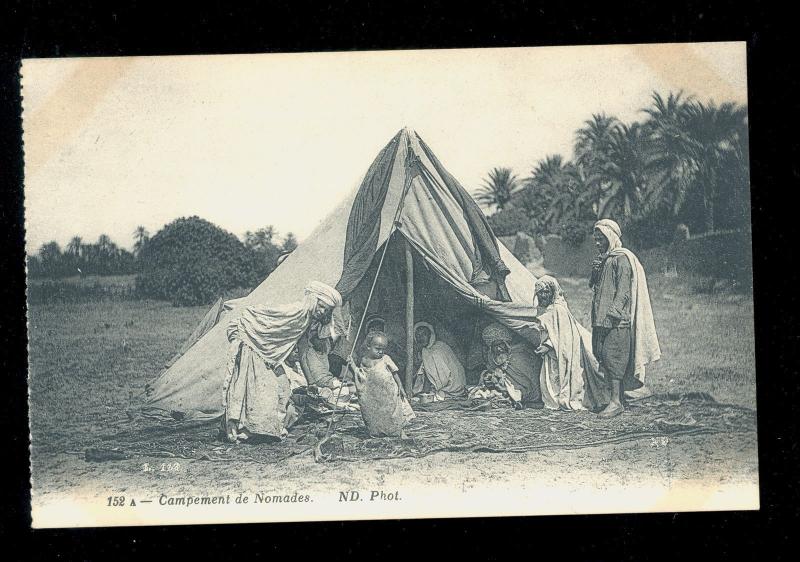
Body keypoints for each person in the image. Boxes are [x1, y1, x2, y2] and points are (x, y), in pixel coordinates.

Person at [222, 281, 343, 442]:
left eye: (326, 310)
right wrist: (248, 331)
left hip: (268, 353)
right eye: (321, 306)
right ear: (313, 300)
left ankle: (264, 428)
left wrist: (311, 382)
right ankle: (243, 429)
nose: (322, 312)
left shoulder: (307, 320)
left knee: (283, 387)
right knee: (259, 387)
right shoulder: (297, 311)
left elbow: (303, 351)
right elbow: (264, 314)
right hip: (251, 341)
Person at [590, 219, 661, 418]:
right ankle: (618, 399)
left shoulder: (622, 259)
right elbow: (593, 286)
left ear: (610, 237)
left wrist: (612, 314)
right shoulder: (605, 259)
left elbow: (623, 292)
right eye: (595, 240)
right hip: (600, 318)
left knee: (614, 357)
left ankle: (615, 402)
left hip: (615, 320)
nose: (597, 243)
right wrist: (595, 271)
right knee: (602, 354)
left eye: (601, 239)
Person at [533, 275, 610, 411]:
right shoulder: (544, 309)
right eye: (540, 293)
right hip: (551, 354)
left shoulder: (559, 310)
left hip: (561, 352)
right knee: (550, 378)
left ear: (553, 292)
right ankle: (553, 401)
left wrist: (548, 345)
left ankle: (562, 400)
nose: (543, 296)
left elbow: (564, 337)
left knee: (561, 376)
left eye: (546, 292)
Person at [348, 331, 415, 437]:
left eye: (383, 349)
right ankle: (377, 431)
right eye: (377, 349)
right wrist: (352, 364)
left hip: (388, 393)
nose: (380, 352)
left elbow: (395, 373)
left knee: (392, 413)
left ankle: (398, 431)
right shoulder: (364, 360)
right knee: (375, 413)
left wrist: (400, 386)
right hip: (374, 394)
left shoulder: (385, 359)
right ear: (369, 346)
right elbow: (360, 375)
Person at [475, 322, 542, 406]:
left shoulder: (519, 355)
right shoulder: (492, 356)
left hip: (526, 391)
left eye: (501, 344)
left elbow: (529, 382)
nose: (499, 348)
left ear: (506, 343)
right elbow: (491, 370)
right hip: (504, 388)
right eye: (495, 346)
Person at [411, 321, 467, 401]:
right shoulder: (424, 350)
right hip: (453, 387)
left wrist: (425, 391)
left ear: (430, 335)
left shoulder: (438, 348)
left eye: (424, 334)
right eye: (418, 335)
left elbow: (437, 374)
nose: (421, 338)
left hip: (451, 386)